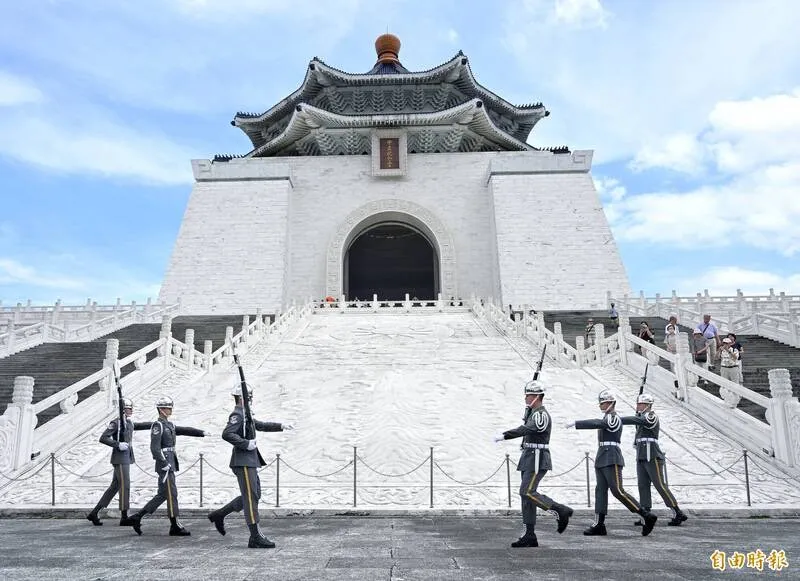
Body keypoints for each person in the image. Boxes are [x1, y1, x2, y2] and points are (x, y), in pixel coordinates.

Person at [208, 382, 295, 548]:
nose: (252, 400)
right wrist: (246, 443)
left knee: (254, 495)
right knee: (250, 498)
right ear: (242, 398)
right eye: (249, 397)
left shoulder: (246, 415)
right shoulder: (238, 414)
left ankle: (220, 514)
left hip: (250, 461)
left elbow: (260, 425)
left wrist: (281, 426)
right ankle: (255, 536)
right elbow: (227, 434)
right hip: (243, 461)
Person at [565, 390, 657, 537]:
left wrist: (577, 423)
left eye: (605, 402)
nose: (602, 405)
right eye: (601, 403)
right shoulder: (608, 417)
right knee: (600, 490)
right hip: (602, 455)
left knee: (618, 491)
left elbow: (600, 423)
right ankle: (599, 524)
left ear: (612, 403)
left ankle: (646, 515)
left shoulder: (613, 417)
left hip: (611, 456)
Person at [494, 380, 573, 548]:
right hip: (529, 456)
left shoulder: (541, 415)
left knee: (527, 491)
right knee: (526, 498)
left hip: (537, 457)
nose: (525, 397)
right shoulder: (534, 413)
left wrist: (505, 435)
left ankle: (559, 509)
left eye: (528, 395)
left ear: (537, 396)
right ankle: (529, 534)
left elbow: (527, 429)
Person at [125, 395, 208, 536]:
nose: (170, 410)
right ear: (161, 410)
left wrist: (201, 433)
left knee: (163, 495)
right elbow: (155, 448)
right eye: (167, 408)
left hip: (170, 462)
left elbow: (184, 430)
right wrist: (163, 463)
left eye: (170, 408)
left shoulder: (168, 425)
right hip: (165, 464)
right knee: (172, 494)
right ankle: (175, 525)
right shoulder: (158, 426)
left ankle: (137, 517)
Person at [621, 393, 688, 527]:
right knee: (642, 485)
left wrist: (620, 419)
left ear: (647, 405)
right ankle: (646, 514)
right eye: (638, 404)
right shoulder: (641, 417)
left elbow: (643, 421)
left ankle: (677, 512)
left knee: (660, 485)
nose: (638, 406)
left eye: (640, 404)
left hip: (652, 455)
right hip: (641, 455)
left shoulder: (651, 416)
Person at [86, 399, 151, 526]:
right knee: (125, 486)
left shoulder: (128, 422)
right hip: (120, 459)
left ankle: (94, 513)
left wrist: (156, 423)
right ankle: (124, 517)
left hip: (126, 458)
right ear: (123, 409)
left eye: (132, 408)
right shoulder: (116, 423)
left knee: (114, 487)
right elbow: (103, 438)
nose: (131, 410)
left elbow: (141, 425)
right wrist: (117, 444)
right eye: (129, 408)